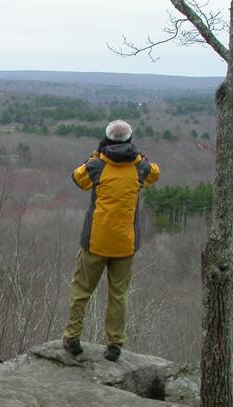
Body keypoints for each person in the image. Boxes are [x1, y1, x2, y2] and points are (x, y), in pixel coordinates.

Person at [62, 120, 160, 362]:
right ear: (129, 140)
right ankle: (115, 345)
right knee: (118, 295)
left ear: (107, 140)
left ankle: (72, 338)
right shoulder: (140, 168)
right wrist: (139, 155)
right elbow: (155, 173)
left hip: (95, 241)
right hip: (125, 244)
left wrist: (96, 154)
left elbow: (77, 177)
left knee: (81, 290)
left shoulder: (97, 166)